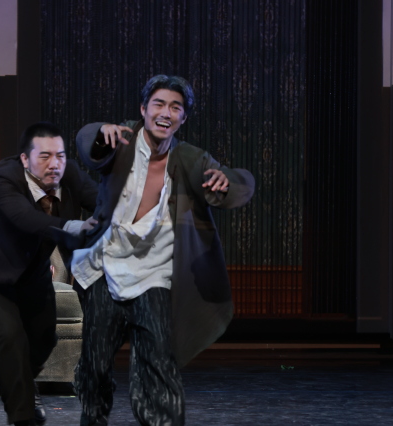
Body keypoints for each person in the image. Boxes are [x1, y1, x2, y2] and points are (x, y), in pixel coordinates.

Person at [71, 75, 255, 425]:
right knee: (94, 364)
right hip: (107, 264)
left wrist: (226, 181)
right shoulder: (122, 140)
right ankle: (92, 418)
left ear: (183, 118)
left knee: (157, 361)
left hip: (154, 271)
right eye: (159, 104)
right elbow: (88, 142)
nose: (166, 113)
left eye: (175, 107)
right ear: (143, 109)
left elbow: (239, 182)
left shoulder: (189, 158)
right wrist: (100, 132)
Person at [0, 122, 98, 426]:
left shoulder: (69, 174)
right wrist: (72, 227)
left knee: (44, 338)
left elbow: (101, 201)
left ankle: (22, 382)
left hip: (32, 270)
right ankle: (23, 416)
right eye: (44, 156)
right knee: (9, 336)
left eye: (60, 155)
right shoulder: (4, 177)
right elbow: (25, 218)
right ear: (24, 159)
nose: (54, 164)